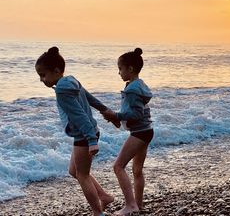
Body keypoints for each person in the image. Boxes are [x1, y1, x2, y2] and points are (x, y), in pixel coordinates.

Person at [35, 47, 114, 216]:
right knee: (74, 171)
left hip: (84, 135)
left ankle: (97, 213)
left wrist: (92, 140)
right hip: (88, 132)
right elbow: (89, 98)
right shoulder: (71, 80)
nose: (41, 79)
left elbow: (79, 116)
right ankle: (104, 196)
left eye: (43, 75)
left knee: (82, 175)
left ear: (56, 71)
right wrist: (105, 109)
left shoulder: (62, 91)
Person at [102, 48, 153, 216]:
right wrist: (119, 119)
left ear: (130, 69)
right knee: (137, 171)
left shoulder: (132, 89)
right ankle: (138, 205)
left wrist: (116, 115)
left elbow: (136, 114)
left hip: (139, 132)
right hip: (146, 130)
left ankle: (130, 205)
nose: (119, 72)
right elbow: (136, 111)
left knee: (118, 166)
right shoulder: (139, 84)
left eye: (120, 68)